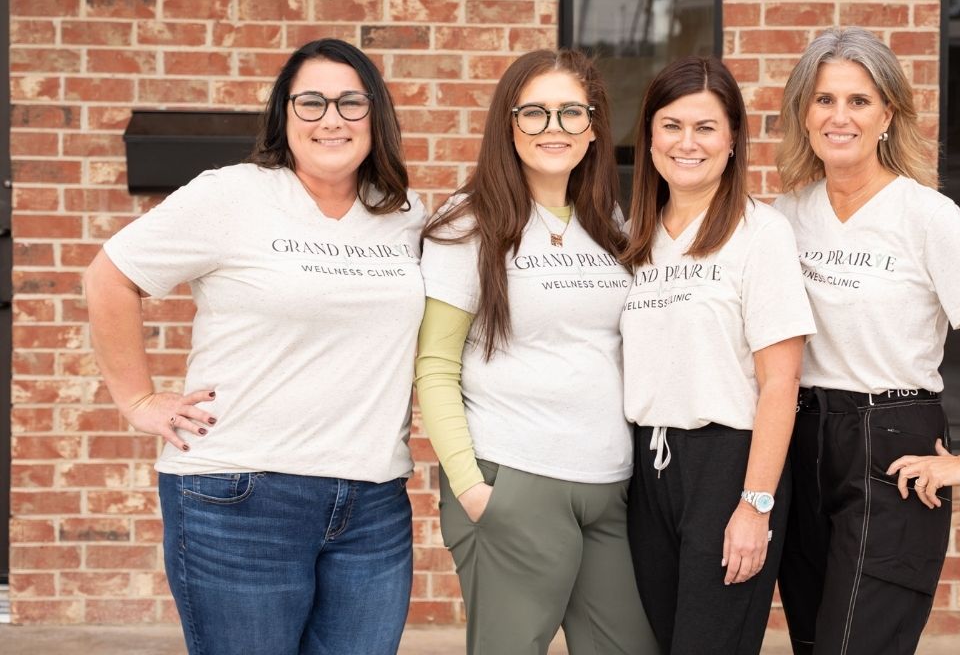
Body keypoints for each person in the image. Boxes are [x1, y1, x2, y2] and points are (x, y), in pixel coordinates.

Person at [84, 39, 424, 655]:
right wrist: (138, 399)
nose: (332, 118)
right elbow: (111, 276)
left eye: (352, 102)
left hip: (372, 505)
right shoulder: (233, 194)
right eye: (311, 102)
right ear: (283, 115)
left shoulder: (404, 214)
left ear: (376, 114)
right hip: (240, 498)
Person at [772, 26, 960, 655]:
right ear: (804, 114)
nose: (839, 116)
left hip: (890, 444)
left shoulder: (926, 215)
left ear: (887, 114)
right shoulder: (783, 217)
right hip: (800, 437)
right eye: (823, 99)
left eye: (859, 100)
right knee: (815, 641)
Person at [416, 49, 658, 655]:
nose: (554, 129)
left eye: (571, 113)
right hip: (515, 479)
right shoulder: (467, 224)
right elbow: (436, 366)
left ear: (595, 125)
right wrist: (474, 490)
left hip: (610, 486)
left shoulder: (612, 224)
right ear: (509, 124)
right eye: (535, 114)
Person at [620, 56, 816, 654]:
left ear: (732, 140)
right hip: (647, 467)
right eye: (672, 125)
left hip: (727, 464)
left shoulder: (761, 233)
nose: (688, 142)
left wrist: (755, 505)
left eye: (706, 127)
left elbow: (781, 382)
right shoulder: (634, 235)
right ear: (649, 137)